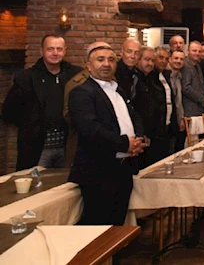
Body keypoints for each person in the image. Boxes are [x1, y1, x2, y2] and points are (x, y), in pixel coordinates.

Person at [68, 44, 145, 226]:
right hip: (98, 172)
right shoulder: (81, 92)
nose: (106, 64)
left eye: (111, 60)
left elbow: (133, 116)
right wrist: (125, 144)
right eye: (100, 60)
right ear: (88, 65)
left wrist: (139, 139)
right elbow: (90, 129)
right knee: (99, 226)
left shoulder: (117, 90)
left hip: (123, 168)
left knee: (117, 225)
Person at [3, 35, 81, 170]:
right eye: (50, 49)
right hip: (37, 148)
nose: (55, 53)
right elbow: (9, 110)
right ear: (41, 51)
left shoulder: (75, 76)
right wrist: (30, 124)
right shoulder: (26, 77)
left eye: (59, 49)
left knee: (65, 182)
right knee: (34, 182)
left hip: (67, 148)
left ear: (65, 51)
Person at [133, 47, 176, 166]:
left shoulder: (164, 75)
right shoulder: (147, 78)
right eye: (160, 58)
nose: (163, 61)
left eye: (166, 58)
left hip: (164, 126)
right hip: (149, 130)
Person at [182, 41, 204, 119]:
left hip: (199, 109)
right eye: (194, 51)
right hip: (190, 109)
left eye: (199, 51)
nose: (197, 53)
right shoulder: (185, 65)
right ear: (188, 51)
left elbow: (201, 85)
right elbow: (186, 88)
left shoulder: (198, 65)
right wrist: (203, 100)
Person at [163, 50, 186, 153]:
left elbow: (178, 100)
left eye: (181, 59)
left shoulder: (179, 76)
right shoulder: (164, 75)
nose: (178, 61)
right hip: (166, 120)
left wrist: (181, 118)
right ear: (170, 59)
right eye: (176, 58)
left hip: (176, 119)